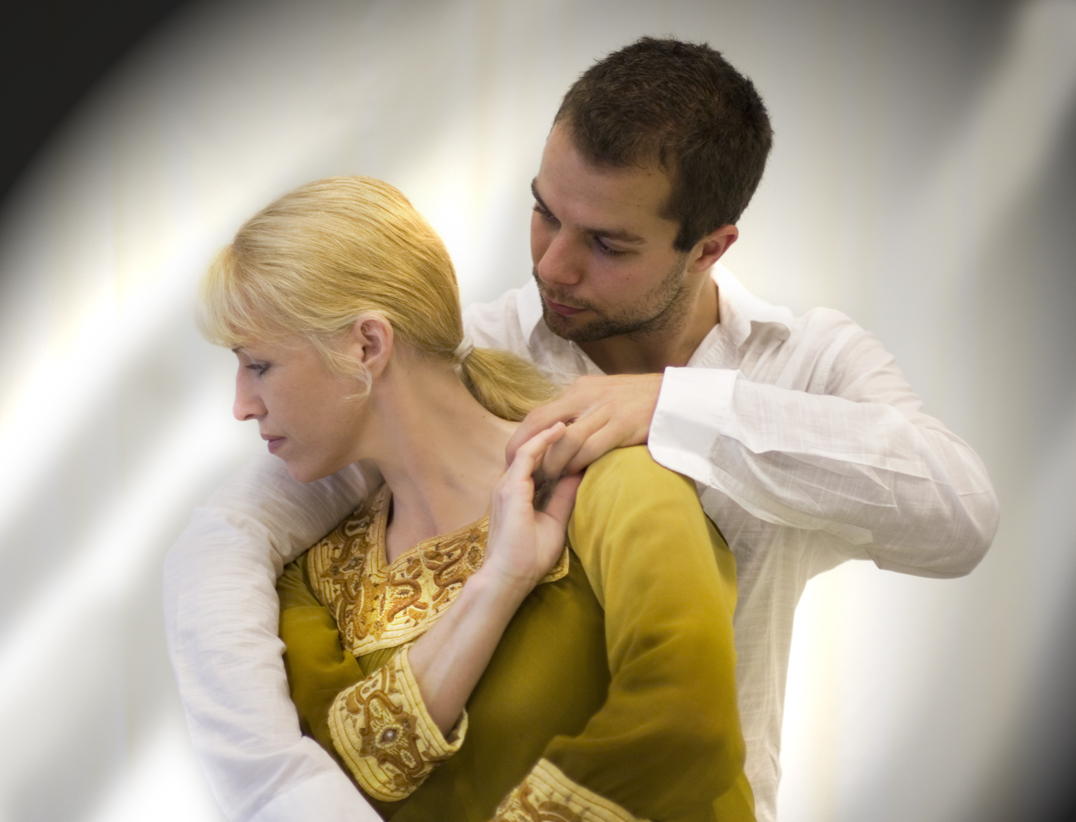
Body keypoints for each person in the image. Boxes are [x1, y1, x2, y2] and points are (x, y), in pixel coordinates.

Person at [163, 37, 999, 822]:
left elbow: (960, 516)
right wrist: (281, 784)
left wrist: (676, 409)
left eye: (606, 243)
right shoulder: (473, 354)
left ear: (709, 248)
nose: (552, 265)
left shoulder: (805, 363)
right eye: (543, 213)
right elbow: (234, 534)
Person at [194, 175, 754, 821]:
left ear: (368, 344)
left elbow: (685, 726)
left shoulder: (614, 486)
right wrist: (498, 584)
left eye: (258, 365)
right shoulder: (312, 579)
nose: (242, 405)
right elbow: (335, 793)